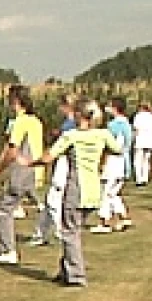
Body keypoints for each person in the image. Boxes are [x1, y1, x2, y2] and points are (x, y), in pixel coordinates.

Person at [37, 100, 123, 288]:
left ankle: (76, 275)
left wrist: (29, 162)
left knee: (69, 232)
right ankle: (65, 270)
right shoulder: (103, 134)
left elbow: (49, 157)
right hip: (94, 189)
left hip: (77, 188)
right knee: (74, 230)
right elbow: (117, 149)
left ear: (78, 115)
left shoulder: (72, 136)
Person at [0, 84, 42, 264]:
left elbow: (13, 150)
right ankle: (2, 245)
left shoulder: (20, 122)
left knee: (4, 208)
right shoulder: (35, 120)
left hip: (22, 169)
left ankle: (7, 248)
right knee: (11, 204)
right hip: (35, 169)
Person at [29, 97, 76, 249]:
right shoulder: (71, 123)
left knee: (54, 200)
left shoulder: (71, 124)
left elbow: (62, 144)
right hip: (64, 162)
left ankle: (59, 231)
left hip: (64, 162)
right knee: (51, 201)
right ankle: (40, 234)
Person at [93, 98, 134, 233]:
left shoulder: (113, 126)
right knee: (113, 193)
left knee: (105, 192)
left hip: (113, 161)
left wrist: (101, 161)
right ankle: (123, 217)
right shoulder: (127, 124)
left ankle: (104, 222)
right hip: (123, 162)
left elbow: (108, 146)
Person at [131, 101, 152, 188]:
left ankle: (139, 179)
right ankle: (145, 179)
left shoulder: (138, 116)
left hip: (140, 140)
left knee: (138, 161)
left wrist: (132, 139)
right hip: (150, 140)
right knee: (146, 160)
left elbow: (136, 130)